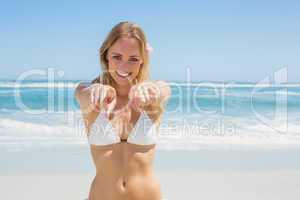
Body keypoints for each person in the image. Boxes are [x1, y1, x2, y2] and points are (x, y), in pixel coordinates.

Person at [75, 21, 171, 200]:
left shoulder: (151, 95)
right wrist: (92, 92)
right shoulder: (91, 95)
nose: (123, 67)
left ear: (142, 61)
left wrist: (154, 92)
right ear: (106, 56)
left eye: (133, 59)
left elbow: (165, 90)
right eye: (117, 57)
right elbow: (81, 93)